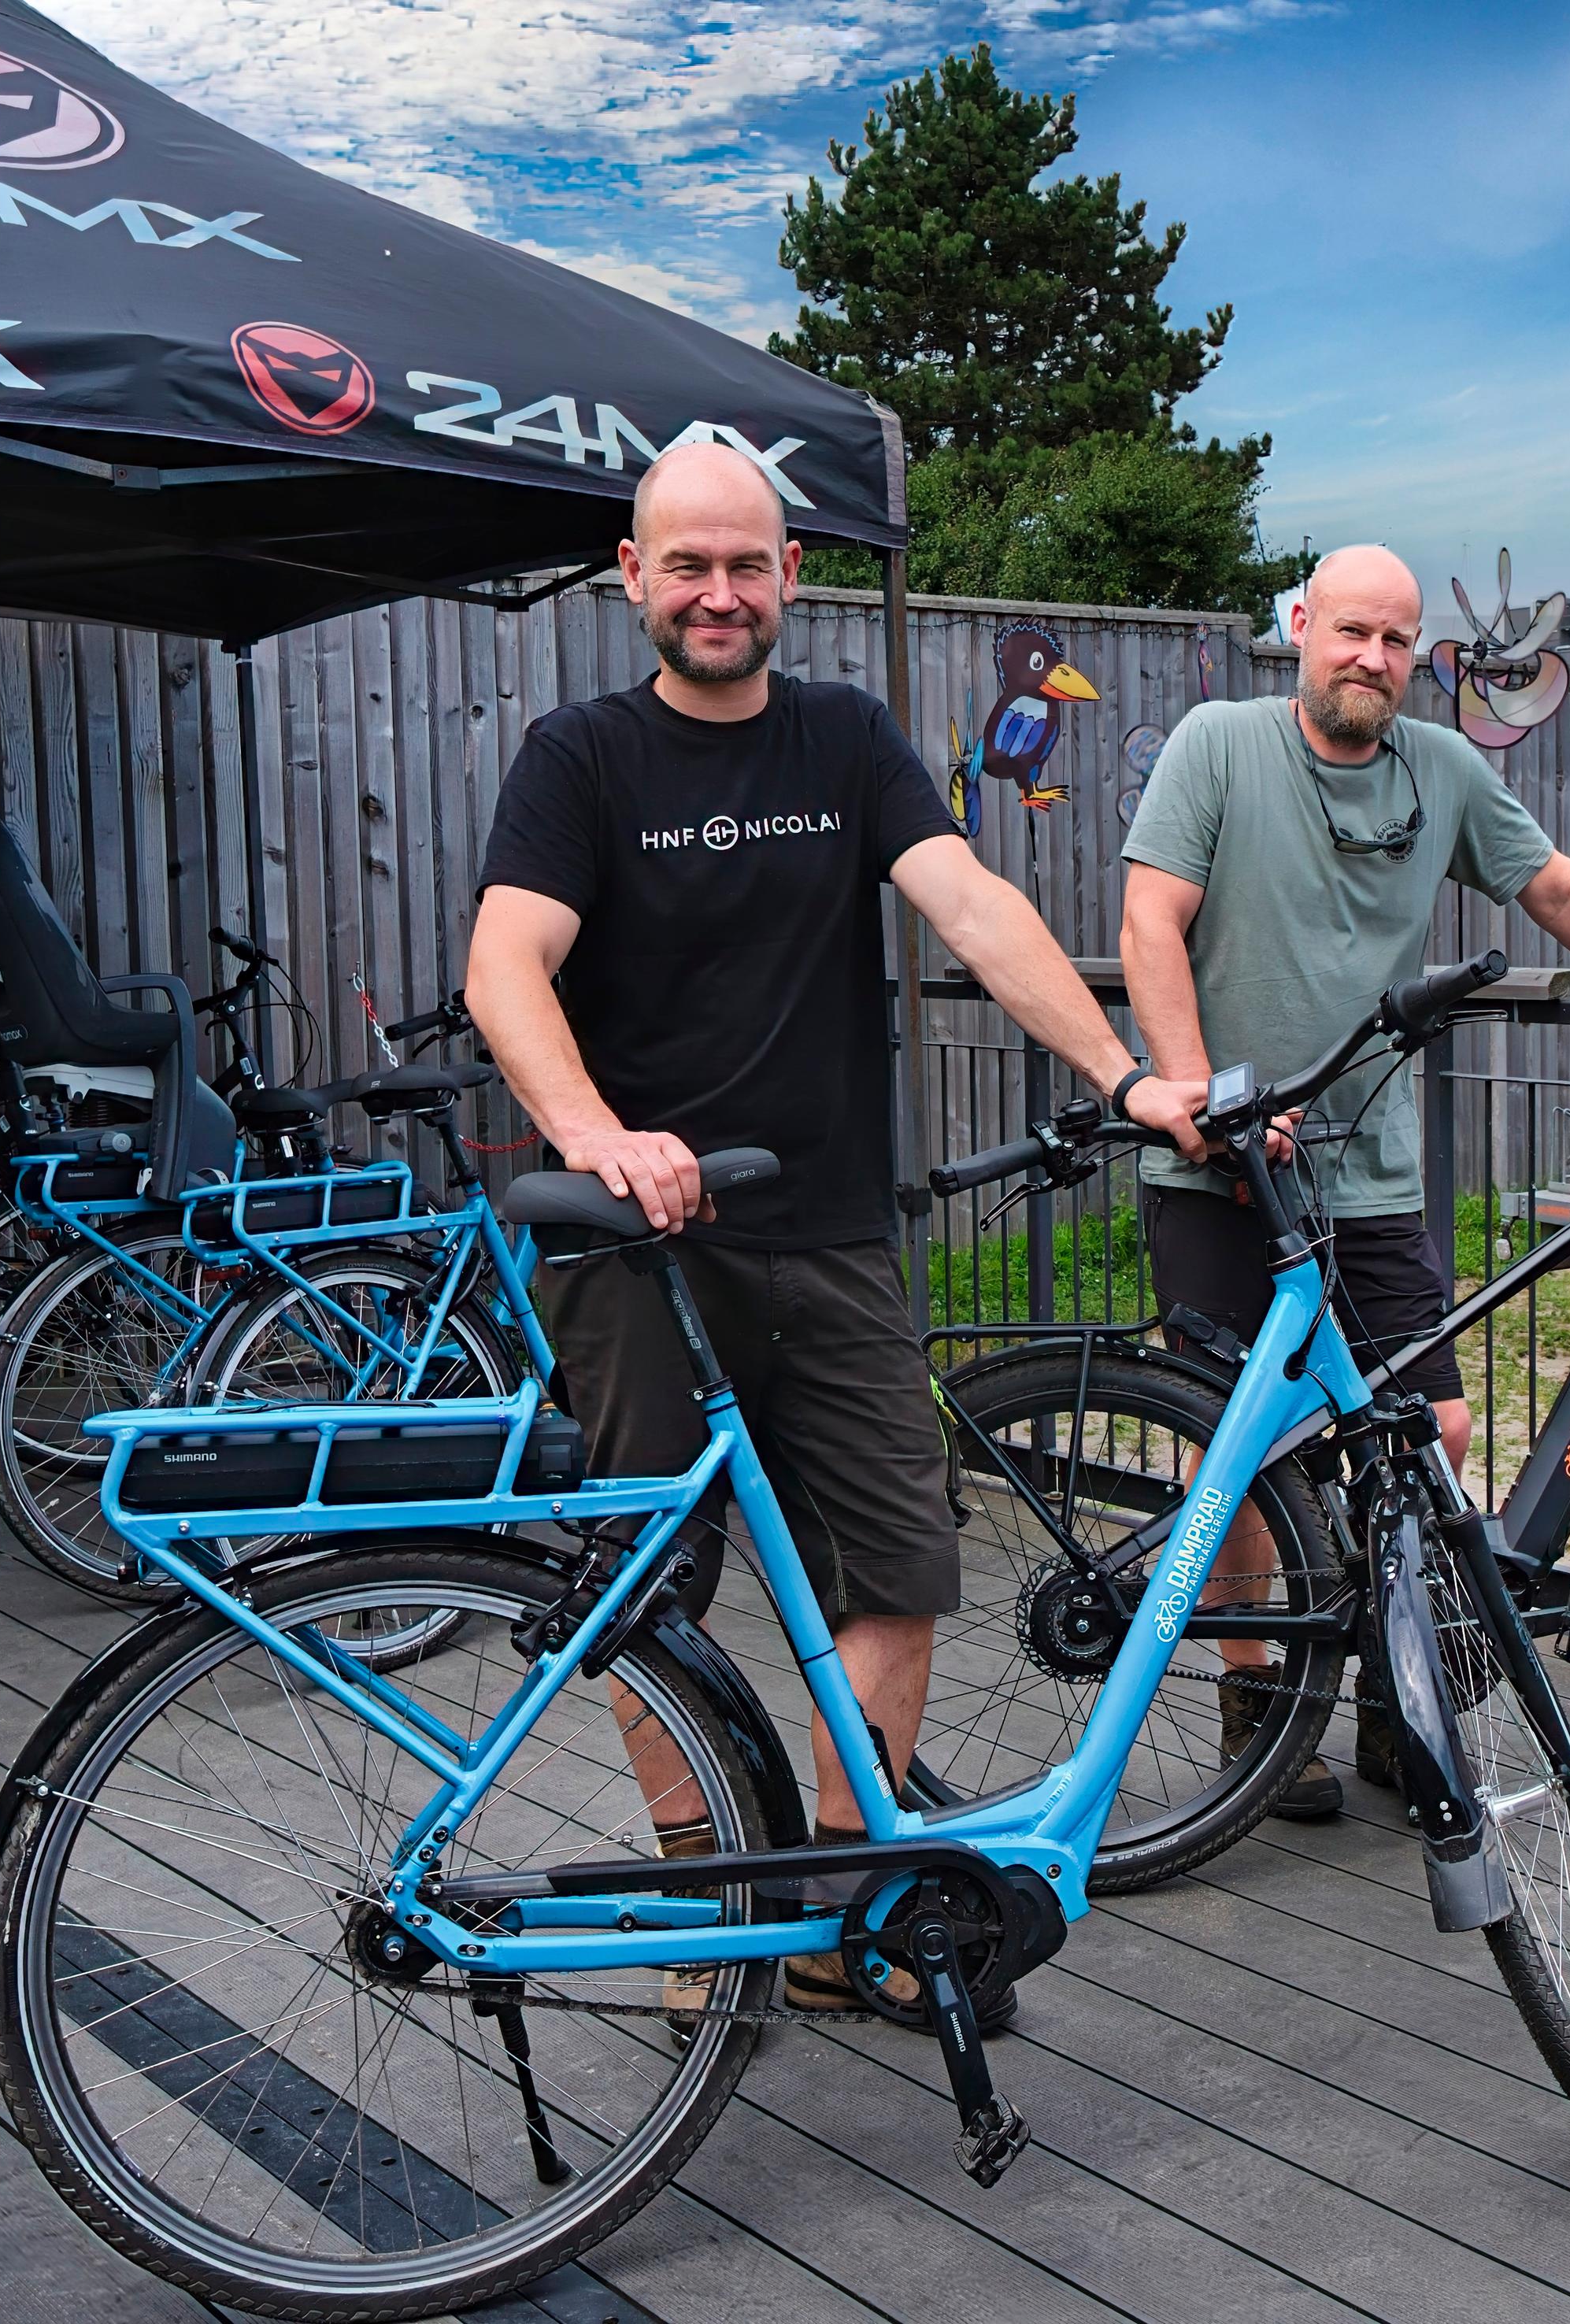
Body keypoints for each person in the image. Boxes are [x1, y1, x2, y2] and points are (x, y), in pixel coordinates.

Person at [468, 441, 1205, 2019]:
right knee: (646, 1588)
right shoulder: (578, 760)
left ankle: (829, 1906)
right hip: (635, 1247)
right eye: (688, 564)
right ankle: (693, 1910)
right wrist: (601, 1140)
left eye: (747, 563)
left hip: (833, 1233)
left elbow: (979, 910)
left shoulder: (846, 739)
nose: (719, 592)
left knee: (895, 1569)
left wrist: (1124, 1072)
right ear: (634, 574)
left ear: (791, 575)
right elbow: (505, 969)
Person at [1119, 542, 1570, 1819]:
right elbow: (1150, 919)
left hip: (1370, 1173)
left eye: (1398, 641)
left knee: (1434, 1434)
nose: (1373, 659)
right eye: (1352, 631)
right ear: (1300, 626)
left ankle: (1390, 1704)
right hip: (1219, 1171)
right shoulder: (1218, 743)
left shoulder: (1444, 771)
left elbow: (1556, 889)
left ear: (1422, 655)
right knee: (1234, 1459)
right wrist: (1198, 1096)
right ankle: (1265, 1712)